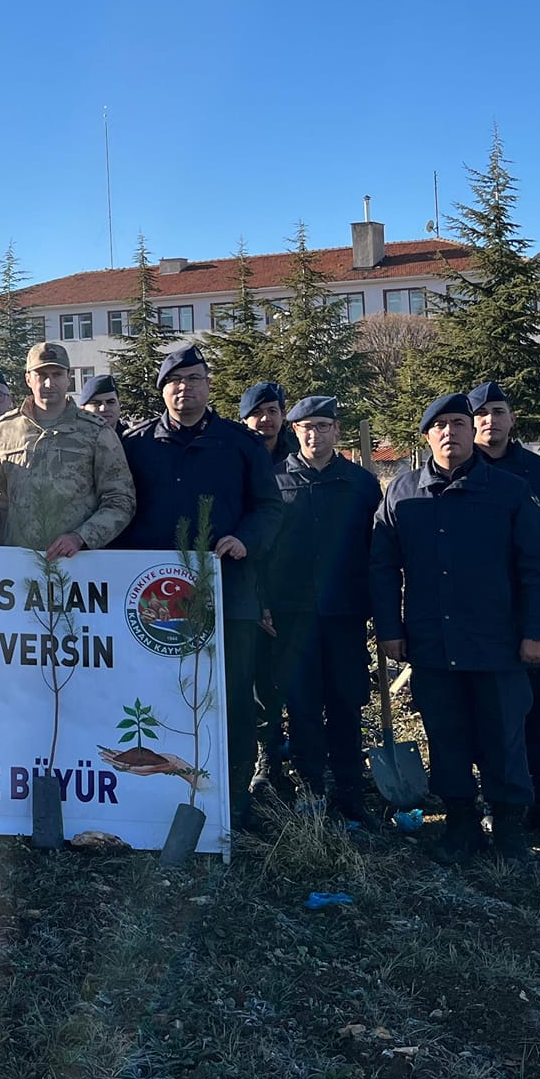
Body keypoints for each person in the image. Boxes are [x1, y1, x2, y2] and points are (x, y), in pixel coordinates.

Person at [369, 392, 540, 864]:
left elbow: (539, 564)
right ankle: (460, 825)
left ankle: (510, 830)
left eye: (458, 422)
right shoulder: (402, 492)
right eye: (440, 425)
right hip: (433, 643)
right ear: (426, 435)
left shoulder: (509, 490)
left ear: (472, 430)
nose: (450, 432)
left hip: (498, 642)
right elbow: (383, 566)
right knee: (446, 736)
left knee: (503, 736)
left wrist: (538, 631)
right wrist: (390, 629)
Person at [115, 343, 280, 829]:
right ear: (162, 389)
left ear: (209, 386)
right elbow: (119, 511)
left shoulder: (239, 443)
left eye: (194, 378)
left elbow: (270, 508)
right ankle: (158, 799)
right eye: (174, 380)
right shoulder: (137, 444)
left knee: (231, 700)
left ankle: (231, 800)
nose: (184, 388)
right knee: (157, 699)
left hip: (229, 595)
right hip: (153, 605)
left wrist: (244, 540)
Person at [470, 380, 540, 846]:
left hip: (530, 615)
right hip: (477, 618)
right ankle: (491, 800)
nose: (489, 421)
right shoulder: (458, 470)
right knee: (484, 713)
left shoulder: (538, 473)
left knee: (538, 713)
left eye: (498, 412)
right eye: (480, 414)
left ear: (512, 419)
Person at [264, 396, 382, 819]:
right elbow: (263, 551)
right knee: (303, 705)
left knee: (347, 702)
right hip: (292, 617)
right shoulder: (275, 482)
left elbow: (378, 551)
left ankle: (349, 792)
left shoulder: (361, 484)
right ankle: (311, 788)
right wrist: (264, 603)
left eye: (323, 426)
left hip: (346, 613)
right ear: (295, 432)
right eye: (306, 427)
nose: (315, 434)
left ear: (337, 430)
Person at [0, 342, 135, 559]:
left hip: (80, 563)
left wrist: (81, 537)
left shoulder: (96, 432)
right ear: (28, 378)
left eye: (57, 374)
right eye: (41, 375)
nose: (49, 382)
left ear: (69, 378)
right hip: (19, 563)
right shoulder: (4, 431)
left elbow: (121, 499)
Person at [239, 378, 294, 794]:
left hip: (296, 589)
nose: (265, 419)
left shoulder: (298, 460)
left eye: (272, 411)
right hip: (254, 591)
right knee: (260, 686)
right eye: (257, 412)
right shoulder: (238, 461)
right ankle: (266, 759)